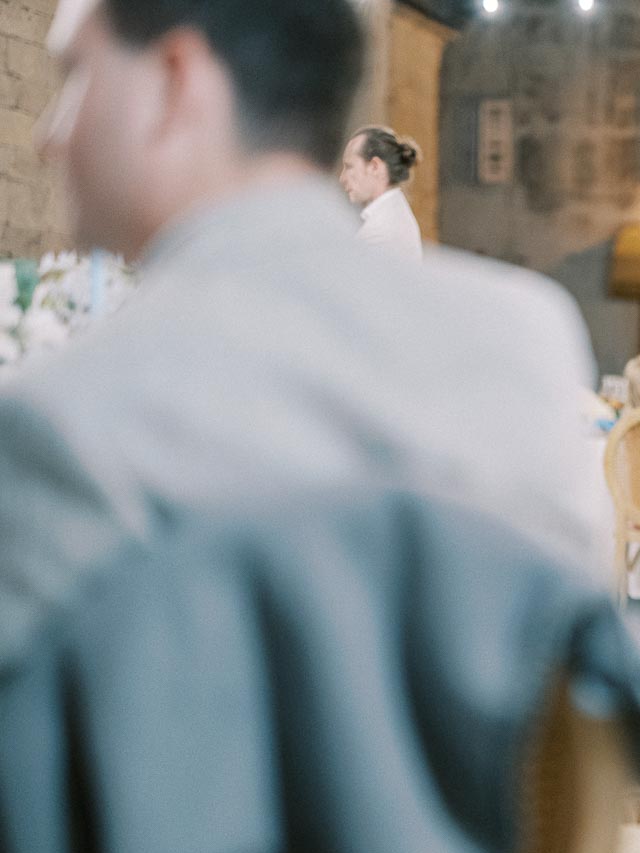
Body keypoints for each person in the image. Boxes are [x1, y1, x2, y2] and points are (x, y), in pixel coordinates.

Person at [6, 0, 607, 677]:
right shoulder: (530, 334)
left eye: (76, 76)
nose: (46, 135)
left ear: (176, 81)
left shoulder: (68, 419)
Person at [340, 125, 424, 260]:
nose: (342, 178)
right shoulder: (388, 215)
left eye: (349, 166)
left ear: (374, 166)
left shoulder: (381, 232)